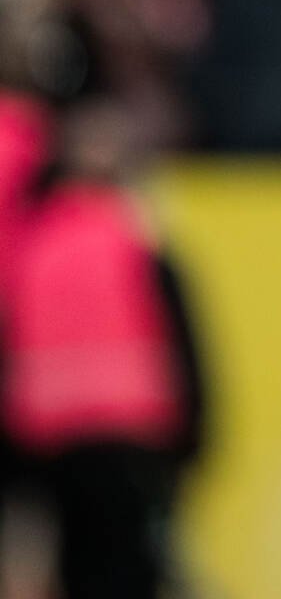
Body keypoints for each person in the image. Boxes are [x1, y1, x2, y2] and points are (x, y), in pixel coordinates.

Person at [0, 95, 203, 599]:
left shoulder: (30, 240)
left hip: (48, 442)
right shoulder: (136, 232)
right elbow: (180, 338)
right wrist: (195, 433)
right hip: (131, 435)